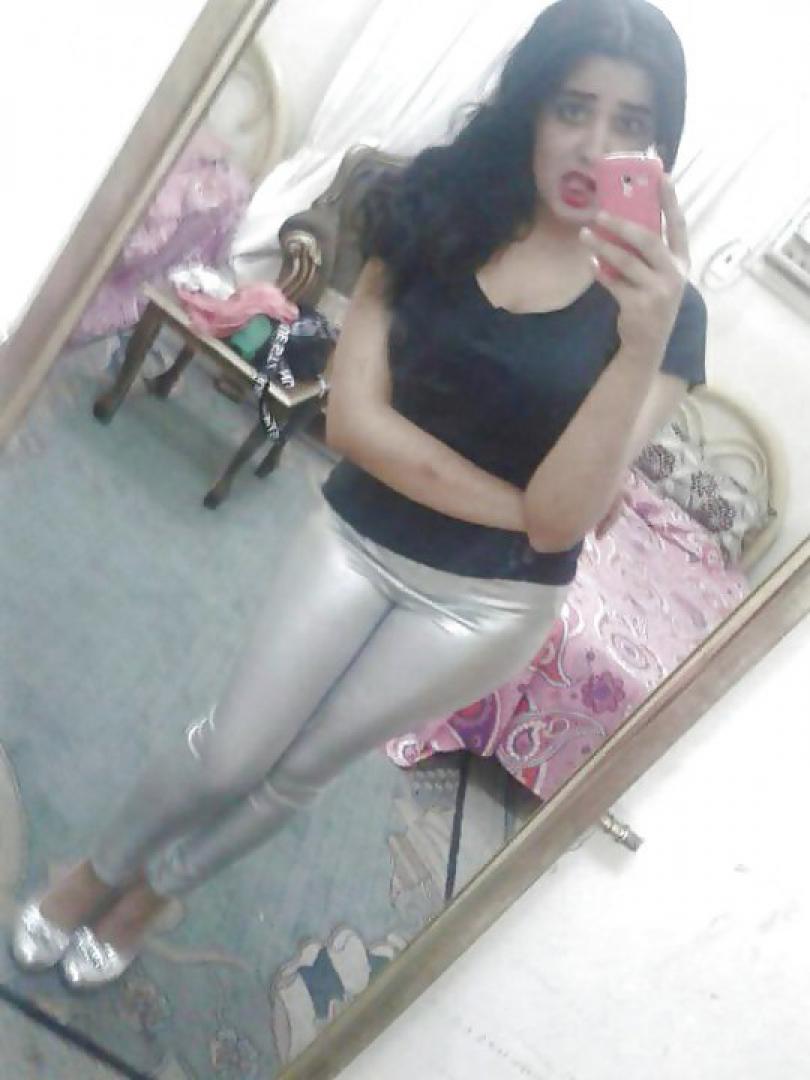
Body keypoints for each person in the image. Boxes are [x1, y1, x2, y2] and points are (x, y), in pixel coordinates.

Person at [13, 0, 706, 988]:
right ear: (532, 105)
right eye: (573, 107)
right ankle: (96, 872)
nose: (595, 145)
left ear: (659, 150)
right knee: (234, 751)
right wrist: (526, 511)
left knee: (297, 774)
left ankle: (151, 895)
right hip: (360, 535)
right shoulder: (434, 204)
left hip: (489, 604)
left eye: (630, 124)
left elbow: (566, 514)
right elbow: (355, 425)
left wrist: (639, 347)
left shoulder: (671, 319)